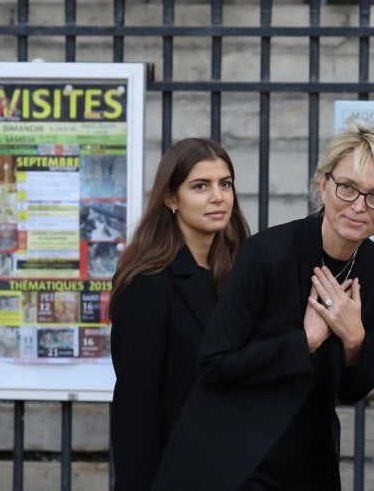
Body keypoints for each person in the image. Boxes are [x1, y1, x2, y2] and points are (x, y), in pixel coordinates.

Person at [152, 119, 374, 491]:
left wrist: (355, 341)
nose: (358, 206)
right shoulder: (267, 253)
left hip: (310, 462)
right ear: (323, 185)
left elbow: (352, 390)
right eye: (347, 188)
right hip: (235, 460)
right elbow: (214, 363)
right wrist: (303, 340)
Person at [108, 137, 250, 491]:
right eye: (200, 186)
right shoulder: (149, 284)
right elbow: (135, 409)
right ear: (172, 198)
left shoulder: (242, 274)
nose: (218, 196)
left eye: (225, 184)